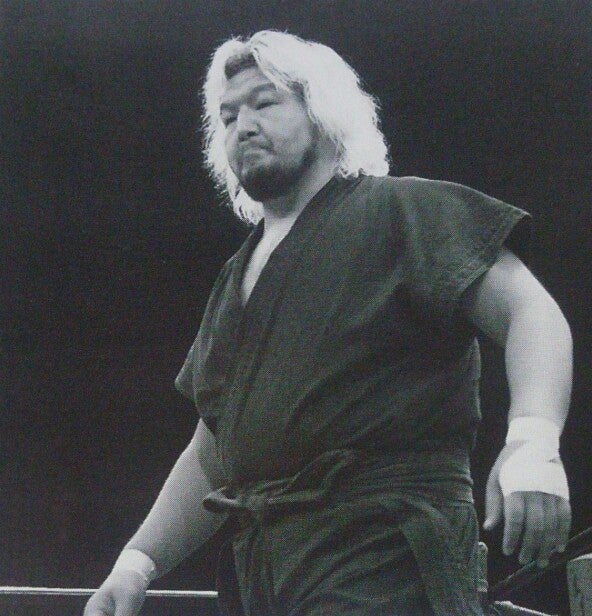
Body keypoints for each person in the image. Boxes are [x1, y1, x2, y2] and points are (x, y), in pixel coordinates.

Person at [83, 31, 572, 616]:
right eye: (228, 116)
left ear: (322, 112)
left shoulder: (404, 209)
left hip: (385, 554)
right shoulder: (235, 278)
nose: (243, 126)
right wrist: (137, 563)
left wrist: (534, 445)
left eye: (265, 103)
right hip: (267, 575)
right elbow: (216, 448)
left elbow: (530, 312)